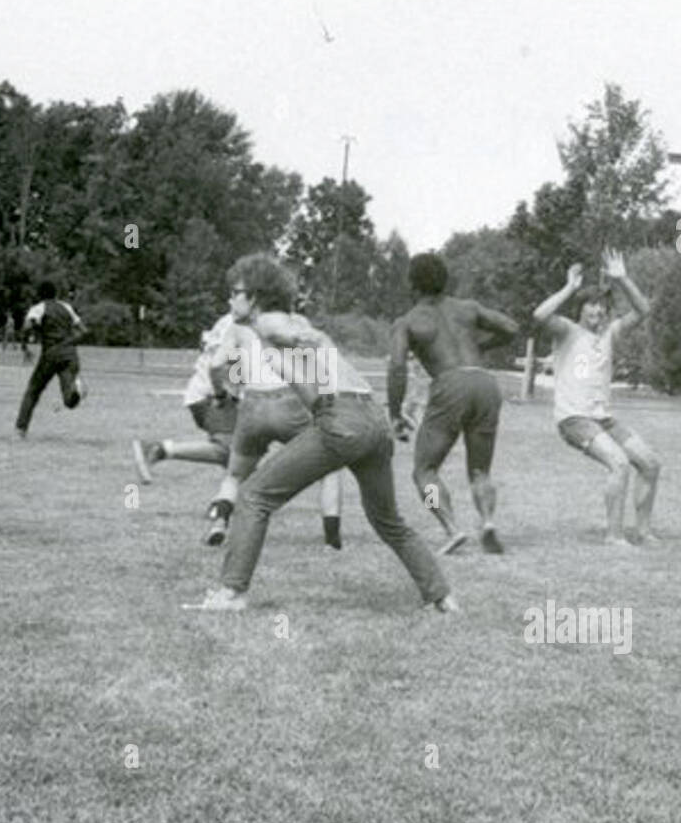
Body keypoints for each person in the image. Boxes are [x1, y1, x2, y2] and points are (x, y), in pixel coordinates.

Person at [185, 254, 456, 614]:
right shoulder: (263, 332)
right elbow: (304, 383)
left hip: (343, 418)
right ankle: (442, 597)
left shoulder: (268, 321)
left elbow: (300, 338)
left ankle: (231, 594)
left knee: (252, 496)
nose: (230, 299)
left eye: (236, 292)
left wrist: (314, 365)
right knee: (387, 520)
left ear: (256, 296)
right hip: (372, 421)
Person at [388, 252, 519, 555]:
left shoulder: (407, 321)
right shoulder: (468, 308)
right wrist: (478, 347)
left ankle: (450, 526)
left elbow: (396, 367)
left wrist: (394, 413)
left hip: (450, 385)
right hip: (485, 383)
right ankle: (487, 522)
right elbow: (511, 328)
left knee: (424, 471)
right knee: (480, 470)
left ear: (412, 284)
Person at [532, 250, 661, 546]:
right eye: (592, 305)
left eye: (603, 306)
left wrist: (622, 278)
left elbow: (643, 311)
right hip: (574, 419)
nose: (598, 311)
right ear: (581, 308)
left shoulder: (610, 334)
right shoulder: (567, 331)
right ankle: (613, 536)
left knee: (651, 463)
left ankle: (642, 531)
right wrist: (569, 288)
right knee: (619, 463)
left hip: (603, 418)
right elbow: (540, 315)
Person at [201, 291, 344, 550]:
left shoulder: (238, 327)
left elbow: (219, 365)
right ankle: (331, 539)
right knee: (330, 468)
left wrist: (224, 394)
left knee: (235, 474)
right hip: (290, 402)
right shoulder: (297, 322)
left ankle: (219, 521)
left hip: (253, 403)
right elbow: (319, 362)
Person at [132, 313, 239, 479]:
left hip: (212, 393)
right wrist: (222, 395)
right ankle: (157, 450)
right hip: (210, 395)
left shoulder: (239, 320)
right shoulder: (239, 324)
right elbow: (219, 365)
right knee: (227, 451)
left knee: (243, 453)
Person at [14, 281, 86, 437]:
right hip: (70, 354)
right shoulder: (67, 307)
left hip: (50, 355)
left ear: (39, 295)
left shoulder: (39, 308)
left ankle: (21, 428)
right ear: (56, 294)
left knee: (33, 391)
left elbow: (27, 326)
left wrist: (24, 345)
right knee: (68, 399)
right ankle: (76, 390)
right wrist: (70, 342)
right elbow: (84, 331)